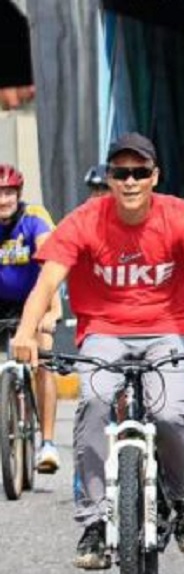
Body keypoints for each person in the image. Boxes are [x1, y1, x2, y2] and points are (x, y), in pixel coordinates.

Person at [9, 132, 184, 569]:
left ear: (155, 176)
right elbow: (48, 281)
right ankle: (94, 523)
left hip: (167, 329)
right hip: (104, 330)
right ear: (110, 178)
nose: (131, 181)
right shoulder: (86, 219)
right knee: (95, 403)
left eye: (140, 172)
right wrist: (25, 332)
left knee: (170, 411)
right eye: (121, 173)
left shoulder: (179, 215)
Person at [0, 164, 62, 472]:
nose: (3, 200)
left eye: (8, 193)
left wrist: (52, 311)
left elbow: (49, 259)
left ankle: (48, 443)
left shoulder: (34, 217)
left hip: (33, 303)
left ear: (18, 195)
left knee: (43, 361)